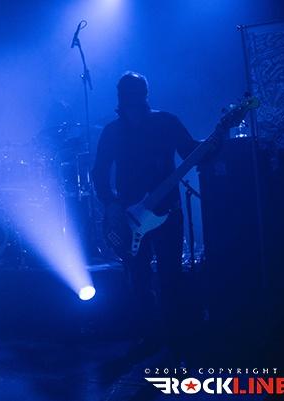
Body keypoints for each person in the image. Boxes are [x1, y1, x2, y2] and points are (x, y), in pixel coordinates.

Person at [92, 72, 199, 362]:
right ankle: (150, 337)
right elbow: (99, 172)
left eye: (133, 93)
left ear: (143, 95)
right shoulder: (113, 131)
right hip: (131, 215)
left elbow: (191, 151)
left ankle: (175, 339)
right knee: (139, 277)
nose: (130, 99)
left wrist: (215, 141)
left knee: (169, 275)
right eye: (127, 93)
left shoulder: (166, 122)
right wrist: (111, 204)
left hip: (167, 211)